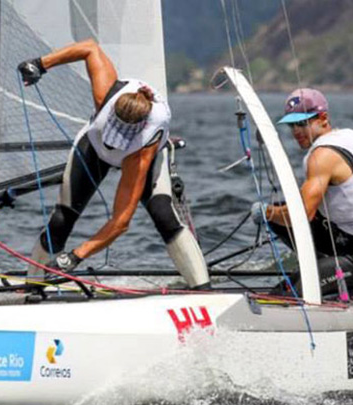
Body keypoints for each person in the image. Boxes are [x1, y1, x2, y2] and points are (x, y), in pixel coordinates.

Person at [17, 39, 209, 288]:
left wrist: (75, 256)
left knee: (164, 216)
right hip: (93, 148)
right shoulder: (105, 94)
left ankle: (203, 290)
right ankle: (33, 285)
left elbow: (120, 222)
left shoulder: (141, 150)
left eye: (120, 141)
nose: (115, 145)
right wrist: (40, 64)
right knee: (61, 220)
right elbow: (90, 48)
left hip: (143, 156)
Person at [259, 88, 353, 297]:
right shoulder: (350, 135)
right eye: (291, 125)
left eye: (303, 123)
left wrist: (263, 213)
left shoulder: (321, 157)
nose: (296, 131)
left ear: (323, 118)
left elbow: (302, 214)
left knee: (290, 294)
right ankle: (327, 267)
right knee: (279, 211)